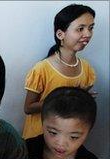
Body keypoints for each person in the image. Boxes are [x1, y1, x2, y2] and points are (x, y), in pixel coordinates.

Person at [23, 4, 96, 139]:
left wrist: (83, 99)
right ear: (60, 34)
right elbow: (28, 108)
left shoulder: (87, 69)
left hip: (68, 140)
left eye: (91, 28)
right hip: (38, 139)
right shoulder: (42, 69)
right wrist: (65, 100)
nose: (88, 34)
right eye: (80, 29)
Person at [26, 86, 103, 159]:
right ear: (42, 123)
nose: (61, 144)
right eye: (53, 132)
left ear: (88, 132)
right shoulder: (24, 152)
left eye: (73, 137)